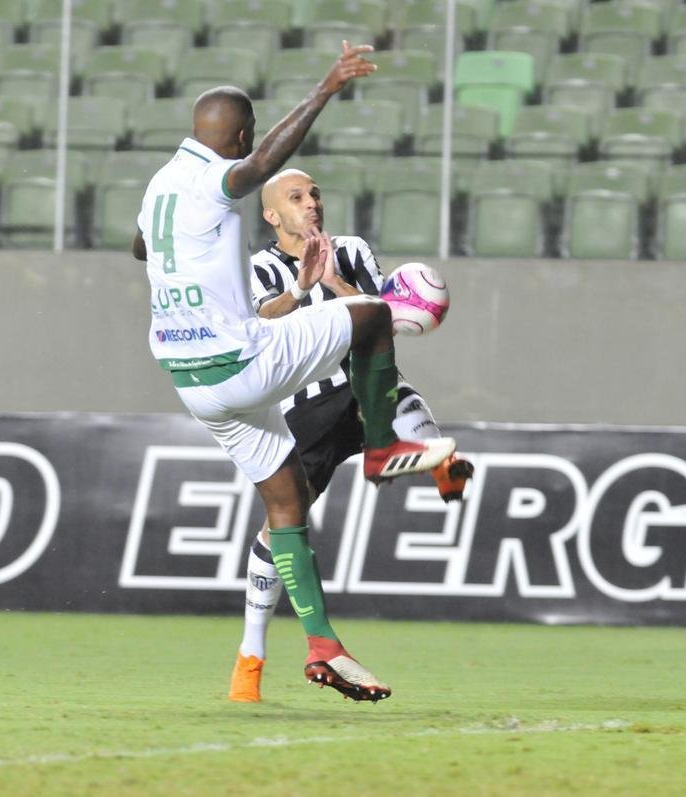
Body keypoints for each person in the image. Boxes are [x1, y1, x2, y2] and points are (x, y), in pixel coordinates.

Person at [134, 43, 456, 702]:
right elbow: (255, 168)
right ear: (242, 134)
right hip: (238, 360)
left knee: (284, 502)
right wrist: (325, 89)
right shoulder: (214, 177)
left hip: (192, 380)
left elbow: (142, 244)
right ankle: (384, 445)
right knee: (368, 316)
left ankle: (322, 646)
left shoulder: (160, 185)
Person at [228, 168, 474, 703]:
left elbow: (378, 315)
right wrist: (302, 287)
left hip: (355, 390)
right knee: (281, 530)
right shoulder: (259, 269)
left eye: (315, 193)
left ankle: (436, 462)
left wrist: (337, 282)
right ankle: (251, 657)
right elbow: (260, 325)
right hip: (302, 410)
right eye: (296, 197)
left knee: (390, 385)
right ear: (272, 215)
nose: (311, 203)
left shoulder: (355, 250)